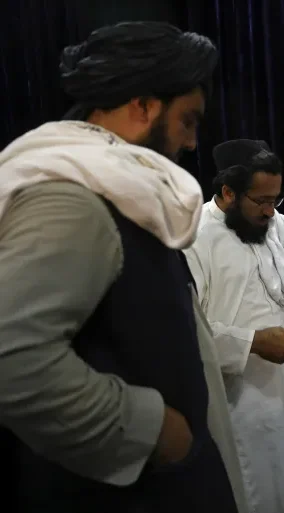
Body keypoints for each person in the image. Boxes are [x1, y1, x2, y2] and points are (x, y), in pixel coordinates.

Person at [0, 22, 247, 513]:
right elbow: (11, 357)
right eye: (189, 121)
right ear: (142, 107)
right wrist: (151, 428)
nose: (192, 143)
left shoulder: (110, 190)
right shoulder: (71, 199)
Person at [183, 139, 284, 513]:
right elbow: (189, 332)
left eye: (277, 200)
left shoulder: (273, 224)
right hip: (237, 403)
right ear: (227, 192)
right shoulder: (194, 239)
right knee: (252, 496)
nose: (271, 211)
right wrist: (252, 342)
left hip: (283, 391)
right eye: (261, 201)